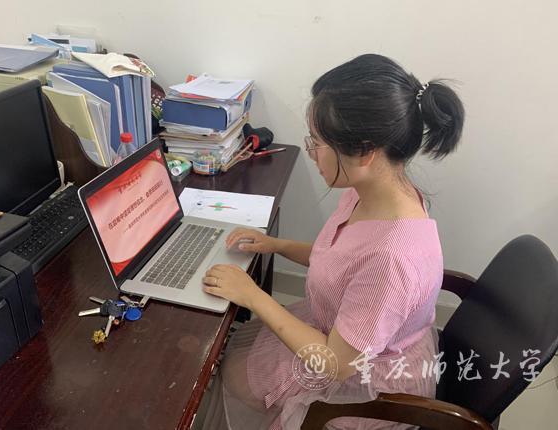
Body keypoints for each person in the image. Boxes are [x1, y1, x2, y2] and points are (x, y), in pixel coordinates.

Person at [199, 53, 465, 430]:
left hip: (356, 373)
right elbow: (343, 261)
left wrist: (252, 295)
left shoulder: (391, 259)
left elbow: (337, 364)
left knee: (237, 379)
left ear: (365, 151)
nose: (312, 153)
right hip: (347, 333)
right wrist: (276, 245)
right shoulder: (373, 191)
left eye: (318, 142)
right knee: (236, 364)